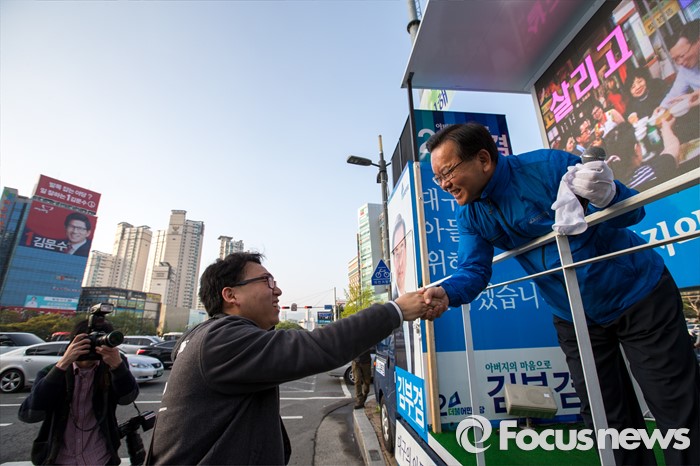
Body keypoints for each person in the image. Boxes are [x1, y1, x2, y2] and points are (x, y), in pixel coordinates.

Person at [421, 122, 699, 466]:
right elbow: (473, 269)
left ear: (483, 159)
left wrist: (609, 195)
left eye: (448, 172)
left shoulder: (548, 167)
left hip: (638, 294)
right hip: (573, 315)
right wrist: (447, 292)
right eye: (438, 178)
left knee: (675, 406)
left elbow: (633, 212)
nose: (444, 184)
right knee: (605, 419)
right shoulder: (469, 214)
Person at [146, 252, 430, 465]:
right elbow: (316, 347)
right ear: (230, 295)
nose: (278, 290)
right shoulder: (220, 341)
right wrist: (395, 311)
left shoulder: (209, 337)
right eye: (267, 281)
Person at [18, 319, 139, 465]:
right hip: (58, 459)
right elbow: (29, 414)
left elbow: (127, 398)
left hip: (101, 458)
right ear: (74, 342)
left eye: (101, 341)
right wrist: (63, 364)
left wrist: (118, 367)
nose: (95, 347)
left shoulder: (108, 370)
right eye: (89, 341)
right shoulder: (53, 372)